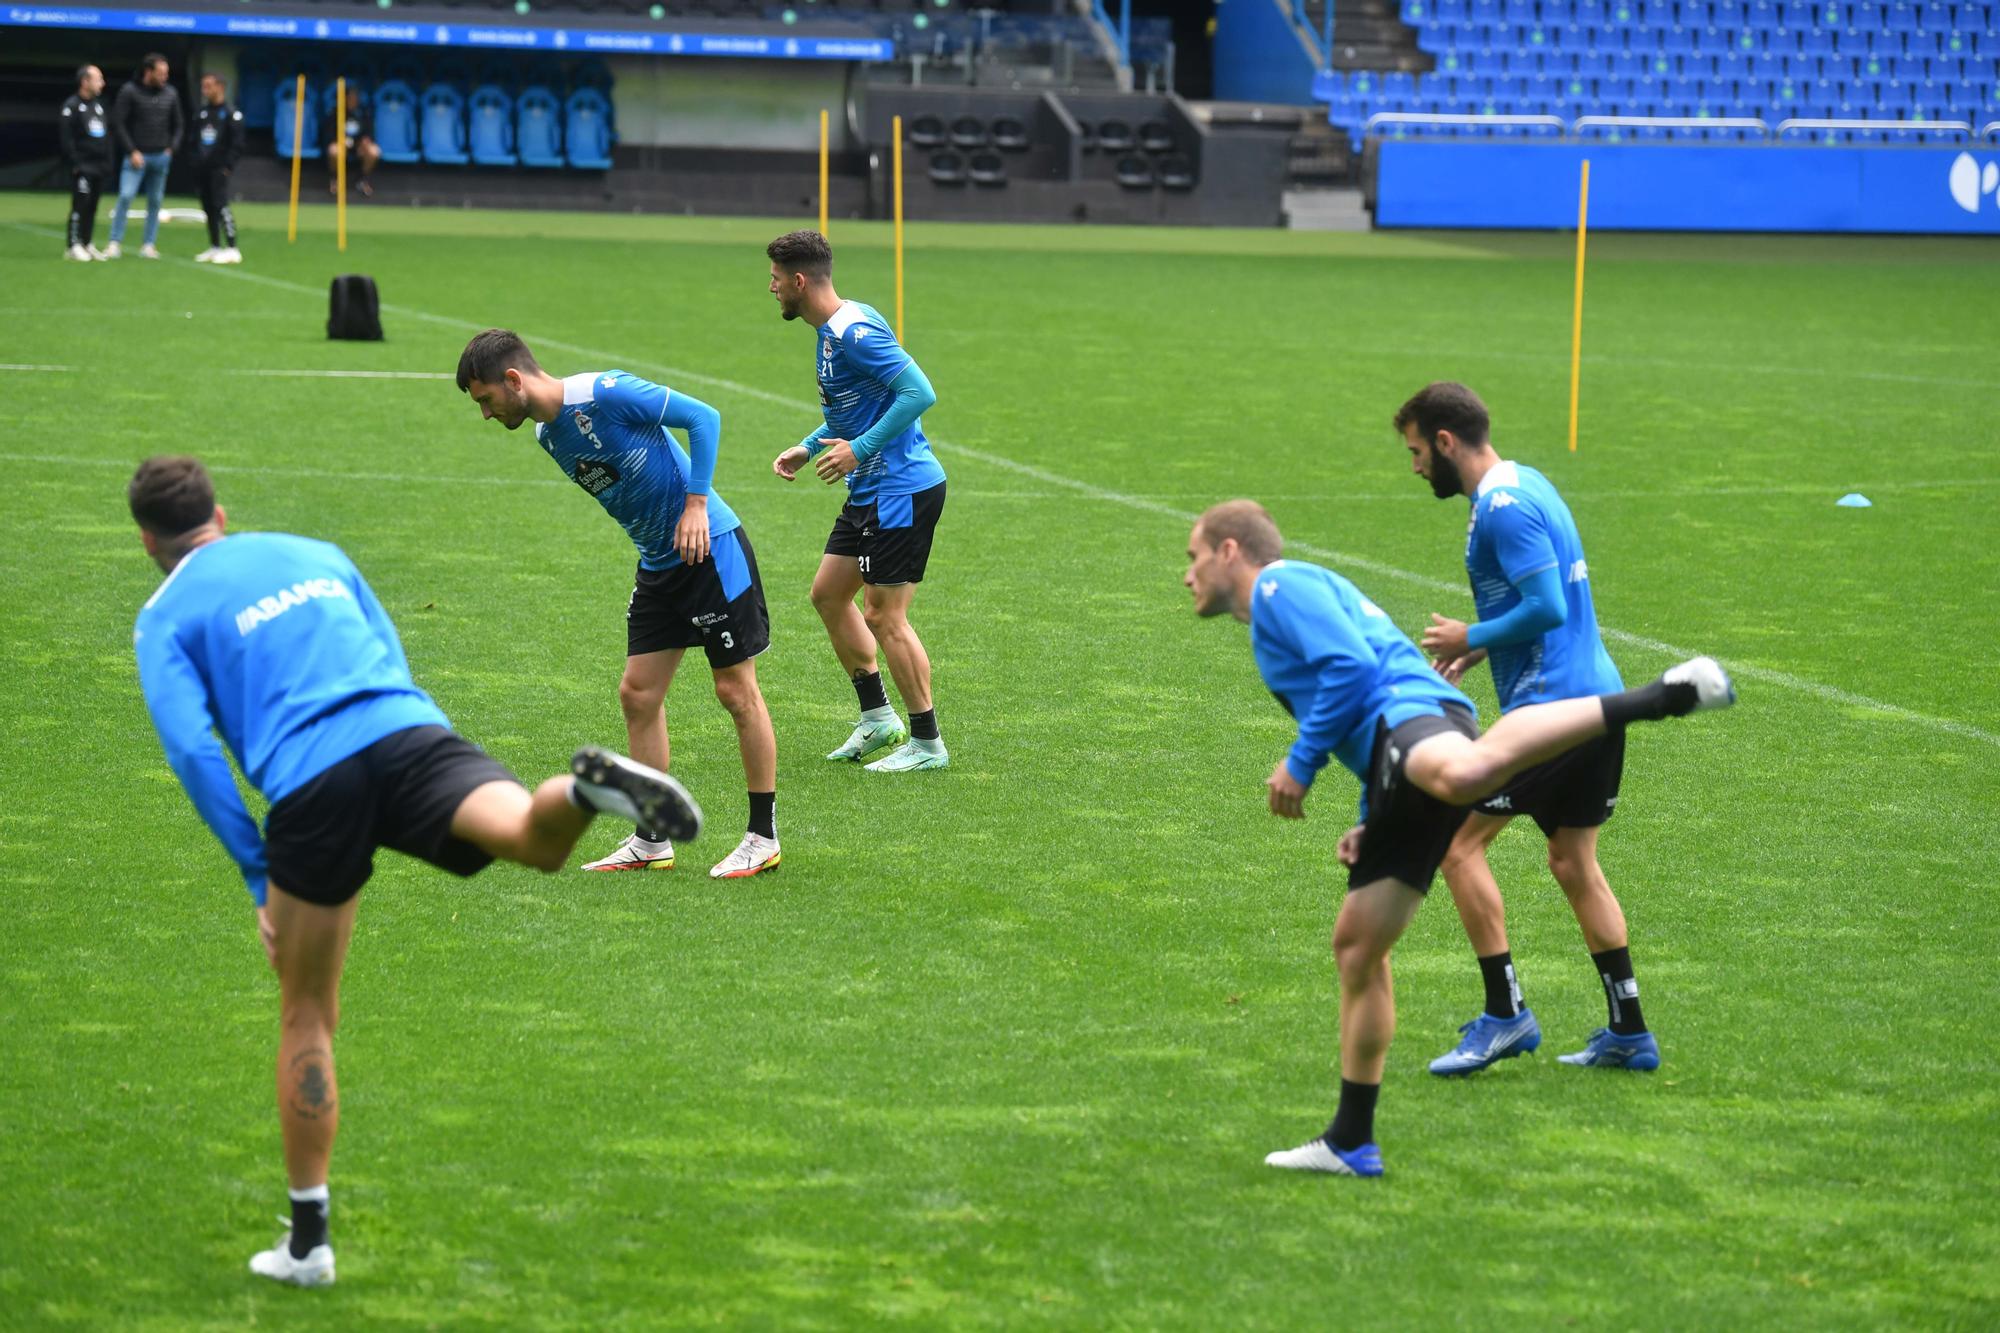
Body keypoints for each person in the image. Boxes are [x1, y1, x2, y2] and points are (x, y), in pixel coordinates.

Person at [128, 455, 699, 1288]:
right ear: (220, 512)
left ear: (149, 539)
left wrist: (260, 875)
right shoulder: (312, 550)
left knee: (308, 1012)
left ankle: (308, 1243)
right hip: (407, 732)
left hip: (310, 781)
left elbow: (192, 751)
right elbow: (386, 647)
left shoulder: (162, 616)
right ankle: (582, 789)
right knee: (533, 842)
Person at [1183, 499, 1734, 1177]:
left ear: (1231, 550)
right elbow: (1365, 711)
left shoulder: (1276, 586)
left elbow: (1354, 672)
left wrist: (1301, 762)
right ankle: (1351, 1141)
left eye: (1194, 556)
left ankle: (1658, 697)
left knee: (1470, 771)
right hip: (1410, 739)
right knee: (1358, 947)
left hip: (1413, 720)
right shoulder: (1284, 597)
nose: (1189, 574)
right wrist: (1372, 816)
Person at [1396, 382, 1666, 1076]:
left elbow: (1546, 605)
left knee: (1457, 843)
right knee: (1574, 862)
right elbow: (1549, 600)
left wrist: (1471, 629)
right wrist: (1481, 647)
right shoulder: (1529, 483)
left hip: (1550, 710)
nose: (1418, 465)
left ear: (1448, 442)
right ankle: (1629, 1029)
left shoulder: (1503, 507)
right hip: (1595, 702)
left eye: (1420, 451)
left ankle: (1506, 1014)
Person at [457, 329, 782, 879]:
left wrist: (697, 503)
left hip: (710, 549)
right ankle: (652, 837)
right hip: (659, 566)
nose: (486, 414)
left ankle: (762, 837)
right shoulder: (546, 436)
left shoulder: (604, 392)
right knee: (637, 694)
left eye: (486, 400)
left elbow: (704, 417)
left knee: (735, 690)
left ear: (513, 380)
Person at [765, 229, 950, 773]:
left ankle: (927, 743)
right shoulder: (830, 328)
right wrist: (810, 444)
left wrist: (860, 449)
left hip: (901, 487)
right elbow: (857, 407)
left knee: (884, 615)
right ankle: (877, 720)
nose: (771, 288)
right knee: (828, 594)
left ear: (800, 281)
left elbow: (919, 393)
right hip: (869, 487)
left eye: (776, 279)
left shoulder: (854, 332)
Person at [106, 53, 182, 260]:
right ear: (148, 72)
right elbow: (118, 123)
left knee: (155, 202)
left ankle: (149, 244)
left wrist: (171, 149)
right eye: (161, 73)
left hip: (161, 156)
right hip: (136, 157)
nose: (165, 77)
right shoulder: (129, 91)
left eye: (166, 73)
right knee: (125, 196)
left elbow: (178, 125)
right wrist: (132, 151)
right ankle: (114, 242)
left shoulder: (171, 94)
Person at [59, 64, 115, 262]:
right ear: (85, 82)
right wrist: (75, 163)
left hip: (98, 166)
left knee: (93, 206)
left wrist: (108, 161)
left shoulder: (98, 106)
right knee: (80, 204)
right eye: (98, 79)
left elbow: (106, 136)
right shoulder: (72, 106)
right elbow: (67, 139)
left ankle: (87, 242)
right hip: (82, 166)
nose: (102, 83)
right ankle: (73, 245)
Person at [191, 72, 243, 264]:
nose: (205, 90)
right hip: (202, 169)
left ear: (220, 87)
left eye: (209, 86)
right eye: (203, 86)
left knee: (221, 206)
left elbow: (237, 144)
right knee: (208, 207)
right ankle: (214, 246)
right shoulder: (202, 113)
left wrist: (227, 166)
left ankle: (232, 247)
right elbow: (194, 140)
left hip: (219, 169)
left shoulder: (231, 114)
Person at [325, 85, 378, 198]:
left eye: (355, 98)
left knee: (374, 151)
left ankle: (362, 180)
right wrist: (340, 140)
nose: (353, 100)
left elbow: (370, 133)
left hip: (359, 147)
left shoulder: (363, 113)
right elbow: (328, 135)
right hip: (340, 145)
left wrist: (365, 141)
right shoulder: (335, 113)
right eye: (350, 98)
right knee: (334, 150)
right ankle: (335, 179)